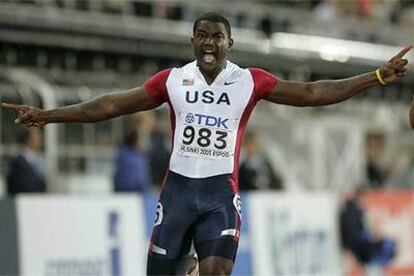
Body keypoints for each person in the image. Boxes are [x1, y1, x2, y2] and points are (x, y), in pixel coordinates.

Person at [1, 12, 411, 276]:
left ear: (230, 44)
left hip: (219, 195)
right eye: (201, 36)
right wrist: (48, 115)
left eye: (217, 37)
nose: (209, 42)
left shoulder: (250, 80)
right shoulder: (173, 80)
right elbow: (109, 105)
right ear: (192, 42)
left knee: (217, 272)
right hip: (177, 194)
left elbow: (312, 94)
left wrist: (373, 77)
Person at [339, 187, 395, 272]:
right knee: (385, 246)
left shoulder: (357, 211)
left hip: (359, 245)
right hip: (357, 246)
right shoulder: (352, 212)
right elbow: (352, 233)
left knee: (387, 244)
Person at [6, 128, 46, 195]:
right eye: (37, 136)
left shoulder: (39, 160)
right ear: (28, 139)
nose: (40, 139)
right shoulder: (17, 163)